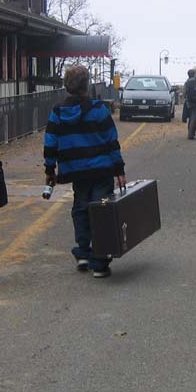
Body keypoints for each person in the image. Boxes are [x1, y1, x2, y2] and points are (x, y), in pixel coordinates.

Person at [44, 65, 127, 278]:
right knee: (101, 210)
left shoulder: (58, 112)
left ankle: (83, 251)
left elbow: (50, 142)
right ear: (87, 85)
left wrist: (50, 169)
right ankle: (99, 262)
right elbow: (111, 140)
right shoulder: (99, 109)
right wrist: (119, 169)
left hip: (76, 170)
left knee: (81, 208)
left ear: (66, 86)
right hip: (101, 169)